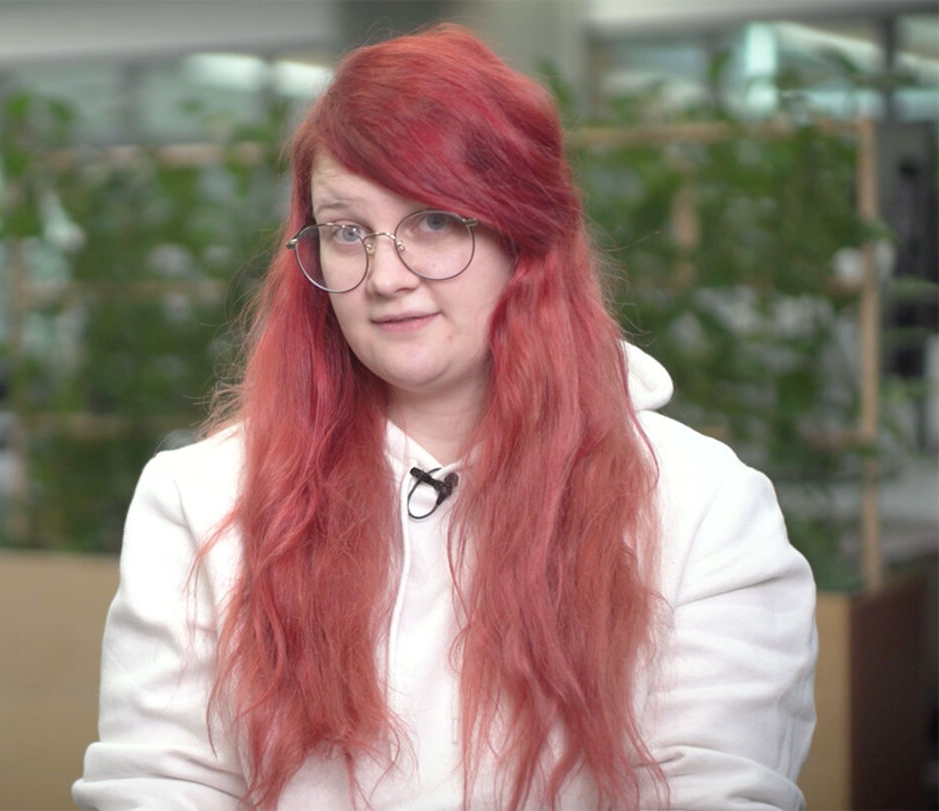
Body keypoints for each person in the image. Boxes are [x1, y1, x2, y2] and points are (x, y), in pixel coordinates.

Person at [72, 23, 816, 811]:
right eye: (348, 231)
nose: (385, 276)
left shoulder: (705, 507)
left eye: (433, 220)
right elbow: (156, 786)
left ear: (524, 236)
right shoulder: (200, 498)